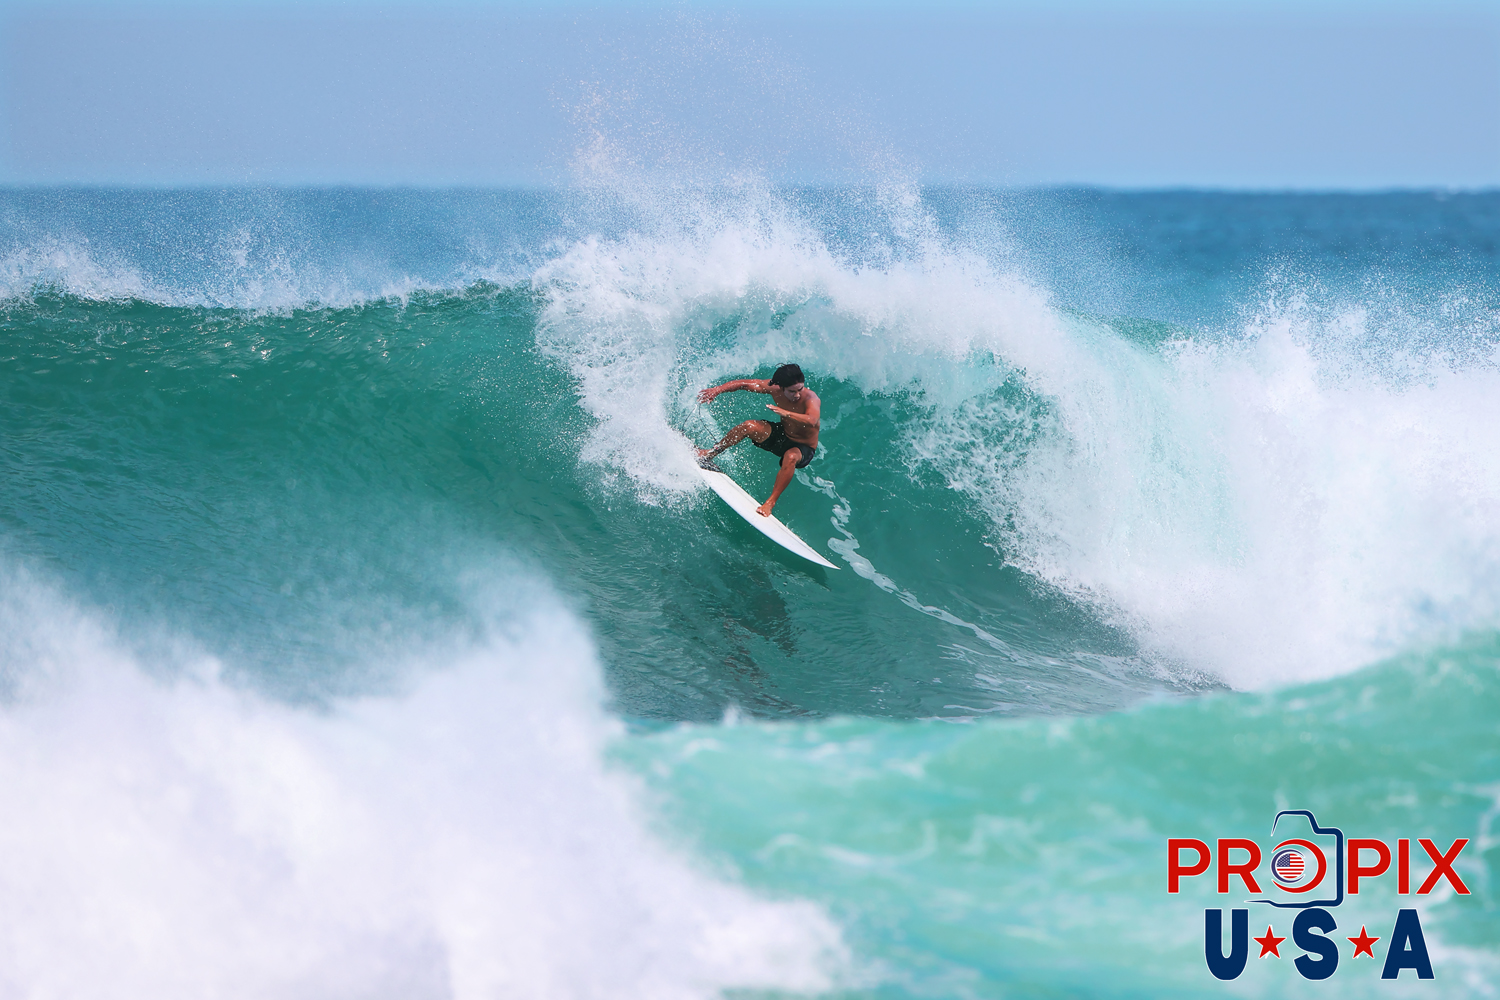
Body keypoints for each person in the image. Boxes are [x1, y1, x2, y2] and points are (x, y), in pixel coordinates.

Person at [696, 363, 821, 517]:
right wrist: (718, 390)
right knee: (748, 426)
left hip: (803, 447)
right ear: (780, 387)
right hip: (783, 435)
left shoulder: (811, 398)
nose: (797, 395)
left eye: (800, 389)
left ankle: (770, 503)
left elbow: (812, 420)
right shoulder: (774, 388)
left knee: (791, 456)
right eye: (792, 391)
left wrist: (785, 413)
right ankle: (710, 453)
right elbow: (745, 384)